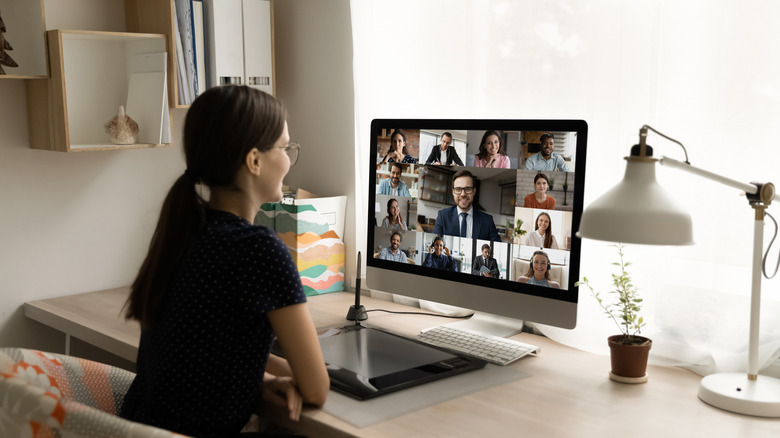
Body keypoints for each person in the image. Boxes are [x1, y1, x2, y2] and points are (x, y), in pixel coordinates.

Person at [120, 85, 329, 438]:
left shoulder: (187, 231)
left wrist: (258, 379)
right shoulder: (258, 249)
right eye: (285, 147)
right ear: (254, 161)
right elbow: (316, 388)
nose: (290, 158)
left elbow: (197, 352)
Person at [433, 169, 501, 242]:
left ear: (474, 191)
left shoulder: (487, 221)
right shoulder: (443, 216)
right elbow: (435, 243)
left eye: (468, 189)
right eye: (458, 189)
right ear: (453, 192)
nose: (463, 194)